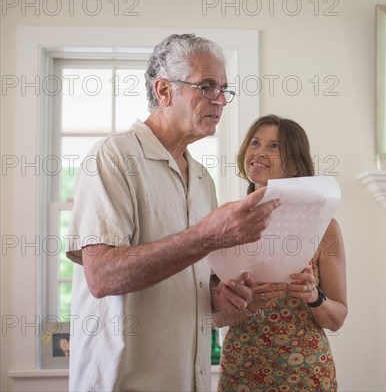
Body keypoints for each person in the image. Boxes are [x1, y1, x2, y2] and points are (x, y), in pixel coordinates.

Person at [65, 34, 280, 391]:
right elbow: (102, 276)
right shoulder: (112, 157)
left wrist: (224, 299)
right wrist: (207, 235)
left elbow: (193, 290)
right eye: (207, 86)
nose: (220, 100)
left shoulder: (202, 179)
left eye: (224, 88)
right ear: (164, 91)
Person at [215, 115, 348, 391]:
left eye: (274, 146)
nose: (258, 152)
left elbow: (337, 319)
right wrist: (250, 304)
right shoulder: (226, 219)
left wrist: (315, 297)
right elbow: (213, 317)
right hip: (243, 370)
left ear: (295, 163)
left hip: (306, 374)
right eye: (255, 142)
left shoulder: (325, 226)